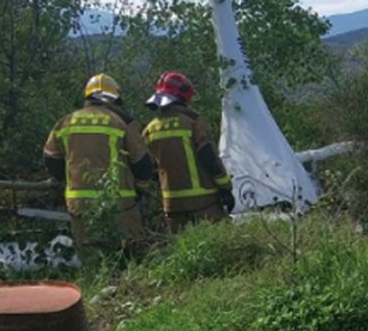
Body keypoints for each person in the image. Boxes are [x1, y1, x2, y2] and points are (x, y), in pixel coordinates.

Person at [43, 72, 155, 254]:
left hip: (79, 204)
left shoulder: (65, 122)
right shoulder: (121, 122)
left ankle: (93, 282)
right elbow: (143, 163)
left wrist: (68, 180)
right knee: (129, 253)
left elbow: (50, 158)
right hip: (120, 203)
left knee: (91, 256)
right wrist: (140, 189)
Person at [141, 71, 236, 231]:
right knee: (220, 242)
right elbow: (209, 157)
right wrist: (225, 187)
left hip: (172, 206)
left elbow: (148, 168)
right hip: (205, 202)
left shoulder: (149, 130)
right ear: (184, 96)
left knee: (182, 248)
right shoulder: (192, 121)